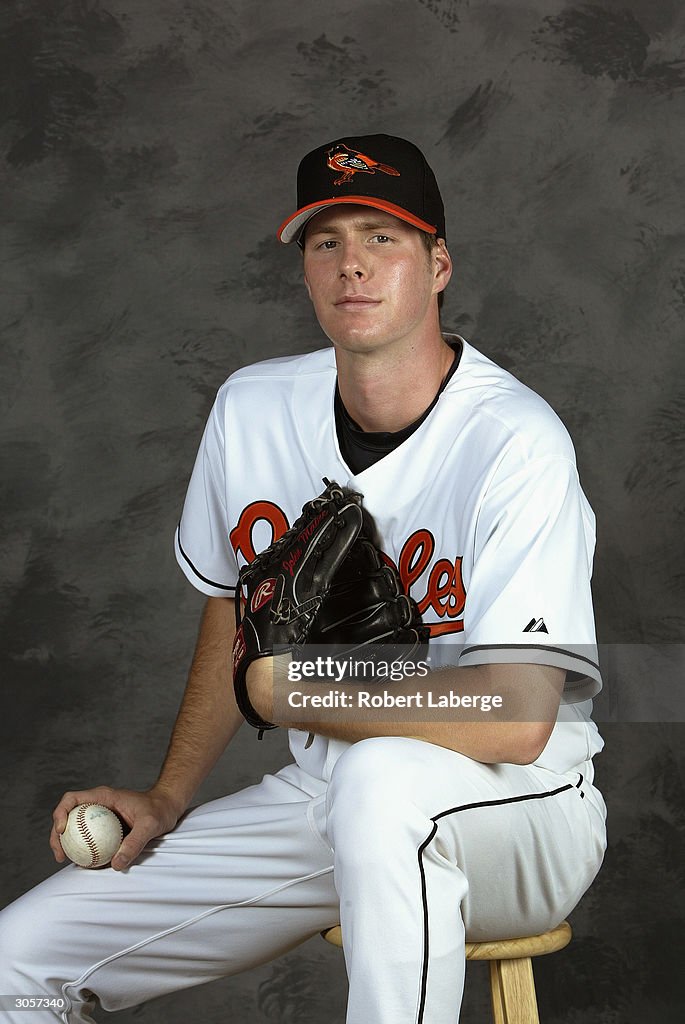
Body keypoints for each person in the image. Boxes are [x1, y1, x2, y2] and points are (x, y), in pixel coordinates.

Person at [0, 134, 607, 1024]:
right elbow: (230, 611)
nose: (352, 266)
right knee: (16, 967)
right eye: (326, 243)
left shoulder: (514, 440)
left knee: (382, 785)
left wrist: (301, 686)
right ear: (305, 269)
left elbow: (517, 715)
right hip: (328, 799)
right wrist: (168, 795)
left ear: (438, 265)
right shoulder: (251, 407)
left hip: (518, 811)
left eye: (382, 238)